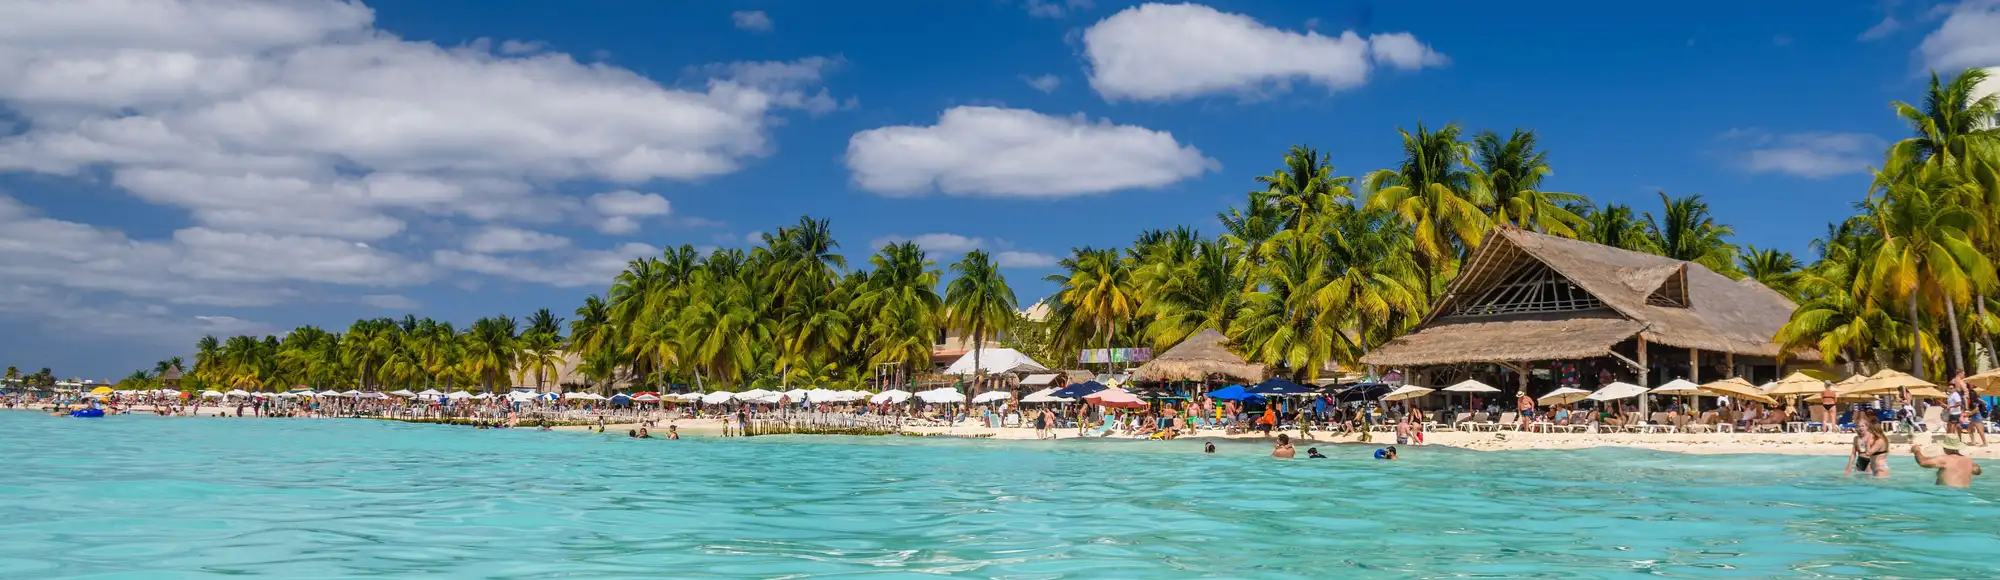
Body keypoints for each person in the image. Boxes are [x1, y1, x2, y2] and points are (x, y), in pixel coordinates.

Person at [1911, 437, 1982, 487]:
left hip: (1946, 492)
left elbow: (1922, 462)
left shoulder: (1944, 459)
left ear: (1945, 447)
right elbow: (1978, 471)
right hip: (1964, 493)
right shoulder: (1969, 461)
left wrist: (1916, 451)